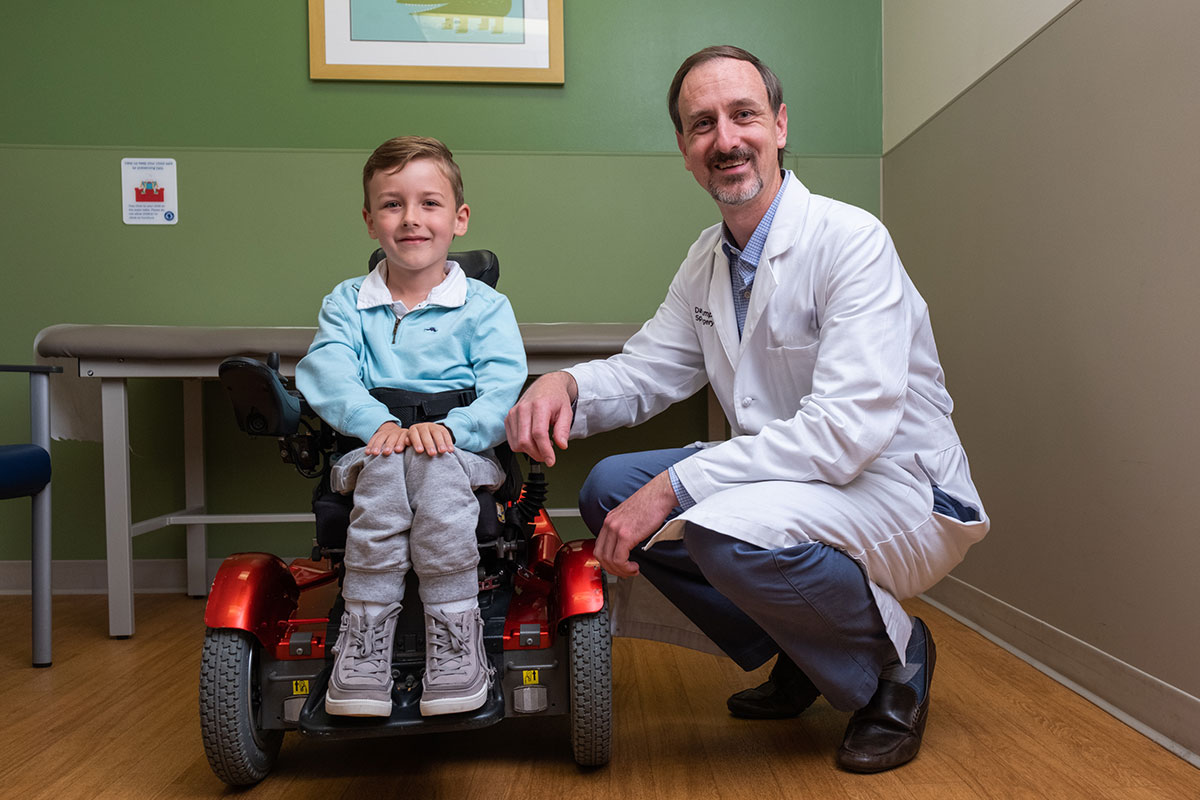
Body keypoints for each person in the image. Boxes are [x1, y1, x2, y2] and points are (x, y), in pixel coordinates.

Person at [505, 46, 988, 772]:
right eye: (702, 124)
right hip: (797, 480)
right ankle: (807, 649)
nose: (725, 139)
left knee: (718, 528)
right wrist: (567, 385)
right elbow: (650, 368)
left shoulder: (851, 241)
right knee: (610, 492)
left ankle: (894, 663)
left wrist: (672, 488)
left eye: (743, 115)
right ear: (684, 149)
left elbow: (844, 433)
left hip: (895, 487)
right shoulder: (708, 258)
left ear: (780, 124)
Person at [297, 136, 527, 718]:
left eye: (429, 203)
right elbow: (327, 370)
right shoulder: (347, 303)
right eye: (393, 204)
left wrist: (454, 428)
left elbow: (504, 387)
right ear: (370, 221)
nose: (412, 219)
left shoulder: (484, 308)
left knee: (438, 473)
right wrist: (377, 423)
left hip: (461, 449)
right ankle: (366, 637)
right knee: (382, 478)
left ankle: (456, 636)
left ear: (459, 219)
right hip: (373, 446)